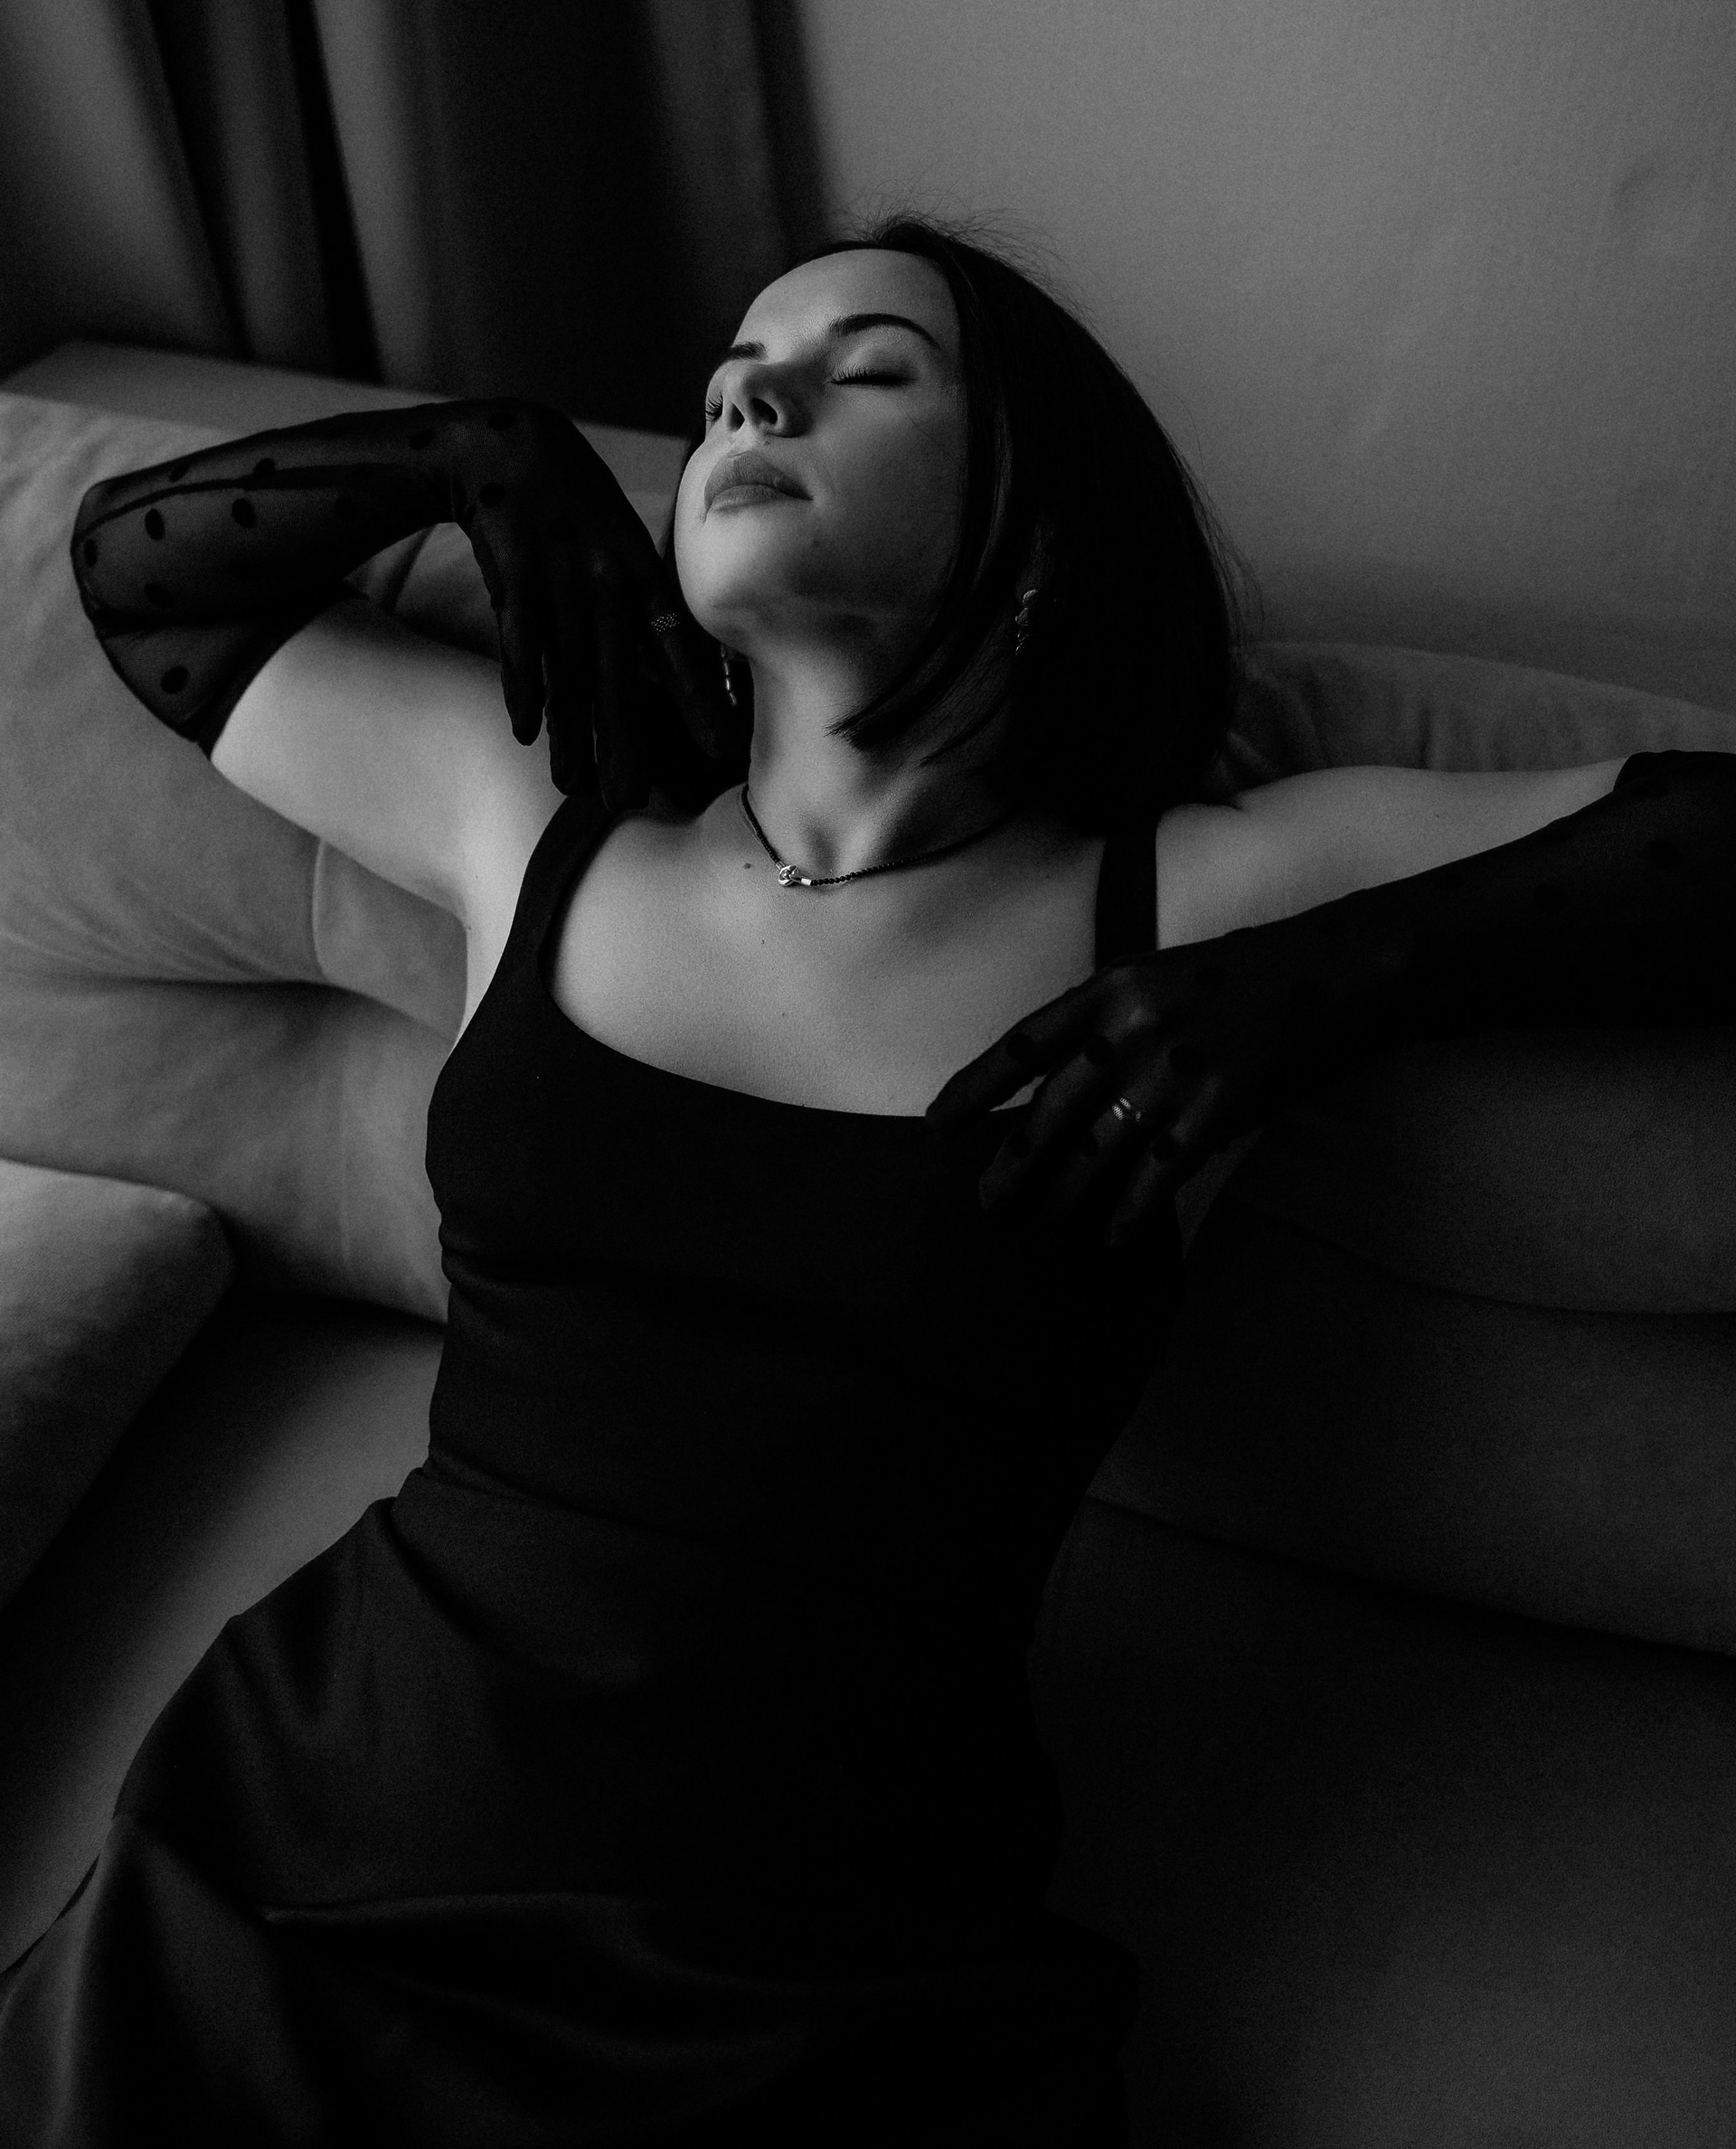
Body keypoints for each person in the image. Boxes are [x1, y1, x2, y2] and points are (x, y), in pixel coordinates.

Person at [4, 215, 1731, 2143]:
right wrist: (466, 447)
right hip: (299, 1862)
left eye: (872, 368)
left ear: (1037, 516)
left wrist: (1338, 976)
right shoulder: (537, 811)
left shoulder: (1196, 893)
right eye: (734, 374)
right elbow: (142, 578)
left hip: (795, 1983)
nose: (755, 393)